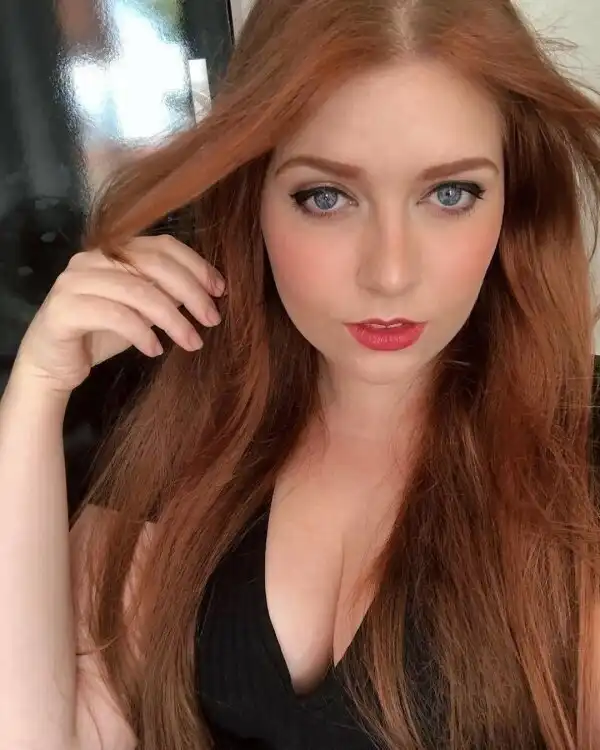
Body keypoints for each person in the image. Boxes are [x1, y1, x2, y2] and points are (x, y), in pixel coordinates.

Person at [2, 0, 600, 748]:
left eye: (451, 194)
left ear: (514, 201)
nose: (390, 272)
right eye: (326, 197)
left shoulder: (579, 449)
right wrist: (35, 395)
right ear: (252, 197)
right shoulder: (179, 436)